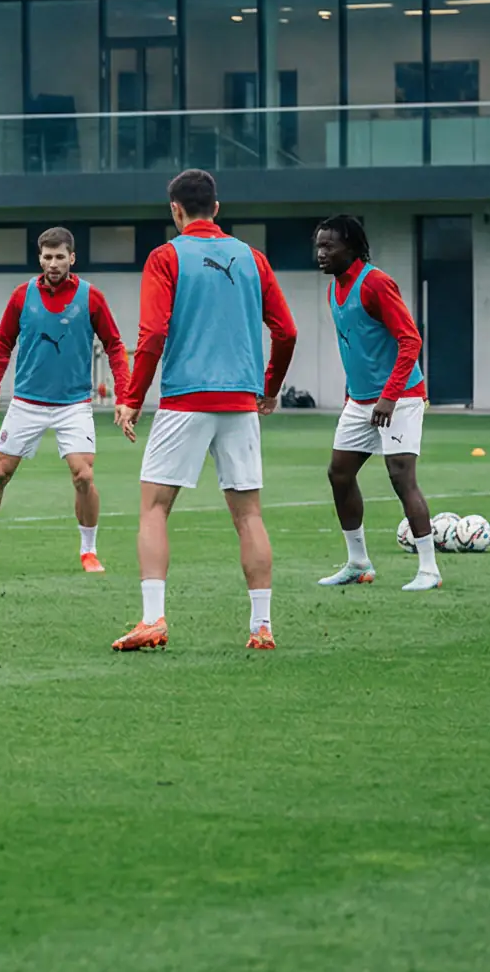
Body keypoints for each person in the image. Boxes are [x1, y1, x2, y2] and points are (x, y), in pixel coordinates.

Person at [110, 169, 297, 651]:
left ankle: (153, 618)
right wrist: (269, 388)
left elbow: (152, 335)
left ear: (175, 210)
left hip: (185, 401)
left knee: (154, 508)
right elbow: (287, 331)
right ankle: (261, 626)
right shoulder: (253, 258)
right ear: (216, 208)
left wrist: (131, 398)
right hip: (241, 403)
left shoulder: (165, 257)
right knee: (249, 515)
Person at [0, 225, 129, 574]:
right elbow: (2, 344)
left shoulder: (91, 297)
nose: (53, 263)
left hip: (74, 405)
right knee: (0, 473)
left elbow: (115, 346)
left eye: (60, 257)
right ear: (40, 258)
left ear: (72, 258)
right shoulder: (21, 296)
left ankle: (88, 552)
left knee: (83, 476)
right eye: (48, 257)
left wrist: (124, 395)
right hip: (26, 403)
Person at [309, 215, 441, 593]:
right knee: (339, 474)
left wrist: (389, 396)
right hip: (361, 400)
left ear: (351, 248)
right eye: (318, 246)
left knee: (400, 476)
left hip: (400, 397)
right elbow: (356, 347)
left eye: (329, 246)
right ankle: (358, 563)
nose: (320, 253)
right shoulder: (334, 289)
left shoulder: (376, 284)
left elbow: (410, 340)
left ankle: (429, 569)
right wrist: (352, 396)